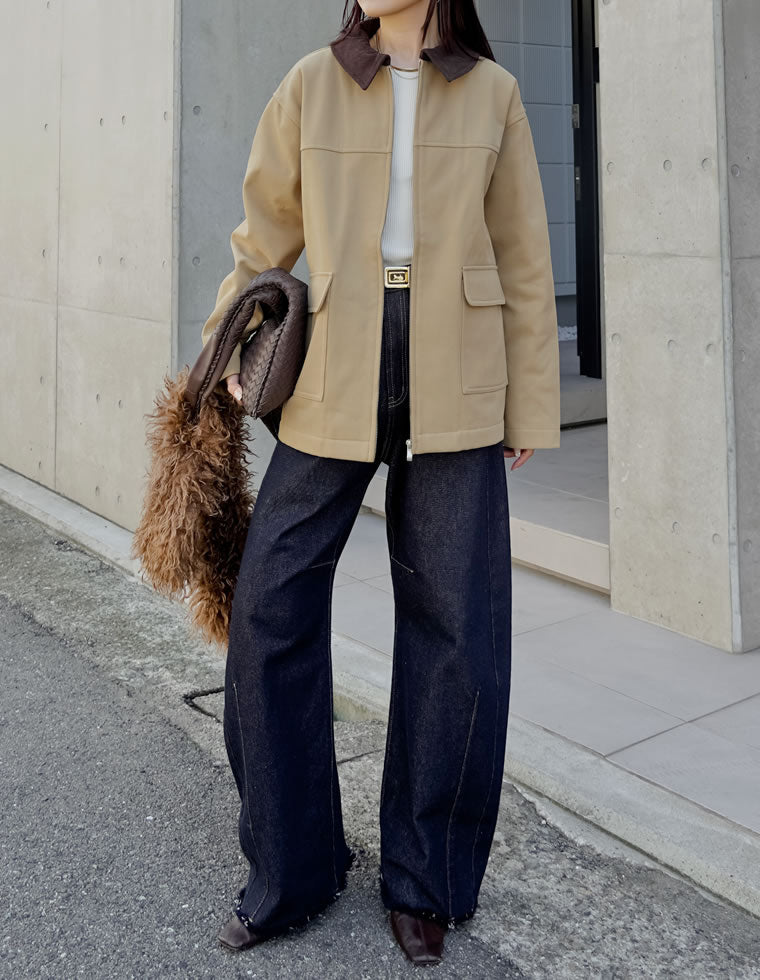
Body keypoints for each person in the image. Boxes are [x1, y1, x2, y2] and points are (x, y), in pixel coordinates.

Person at [200, 0, 560, 967]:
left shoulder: (493, 92)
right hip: (333, 367)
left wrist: (528, 405)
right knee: (269, 606)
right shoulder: (310, 83)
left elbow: (525, 260)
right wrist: (229, 345)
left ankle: (426, 879)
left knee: (458, 630)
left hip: (457, 369)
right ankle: (294, 869)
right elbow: (261, 237)